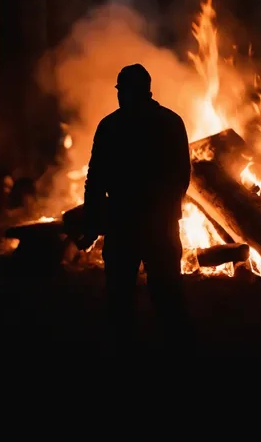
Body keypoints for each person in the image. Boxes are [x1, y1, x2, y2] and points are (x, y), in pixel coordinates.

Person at [81, 64, 191, 351]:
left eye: (122, 91)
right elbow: (183, 176)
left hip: (122, 224)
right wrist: (169, 208)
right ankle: (178, 352)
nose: (120, 96)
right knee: (167, 296)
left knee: (121, 298)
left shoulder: (110, 126)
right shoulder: (171, 122)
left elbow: (96, 180)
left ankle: (125, 354)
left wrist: (93, 224)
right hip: (161, 226)